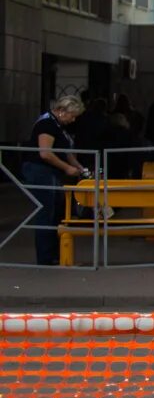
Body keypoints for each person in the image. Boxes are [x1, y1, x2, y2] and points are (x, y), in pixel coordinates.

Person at [24, 93, 89, 267]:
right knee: (47, 212)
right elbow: (45, 153)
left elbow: (66, 153)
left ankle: (55, 255)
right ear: (61, 111)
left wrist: (80, 168)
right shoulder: (47, 124)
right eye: (72, 115)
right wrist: (67, 168)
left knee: (57, 211)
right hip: (40, 171)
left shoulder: (58, 126)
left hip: (50, 172)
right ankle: (46, 258)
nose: (73, 120)